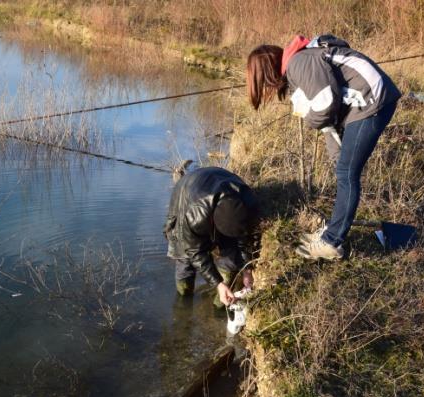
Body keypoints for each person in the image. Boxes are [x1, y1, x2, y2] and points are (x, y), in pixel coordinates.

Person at [246, 34, 401, 260]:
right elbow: (330, 119)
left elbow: (325, 106)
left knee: (347, 174)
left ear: (266, 72)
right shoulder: (299, 65)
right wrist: (336, 155)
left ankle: (331, 242)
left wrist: (309, 117)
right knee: (344, 171)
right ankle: (331, 234)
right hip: (366, 102)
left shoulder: (299, 63)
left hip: (371, 101)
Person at [164, 167, 259, 306]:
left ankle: (221, 301)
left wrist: (247, 268)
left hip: (217, 182)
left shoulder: (249, 205)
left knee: (232, 255)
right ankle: (184, 297)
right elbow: (195, 252)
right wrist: (218, 284)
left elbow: (245, 238)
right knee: (184, 258)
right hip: (186, 192)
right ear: (213, 223)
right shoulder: (193, 217)